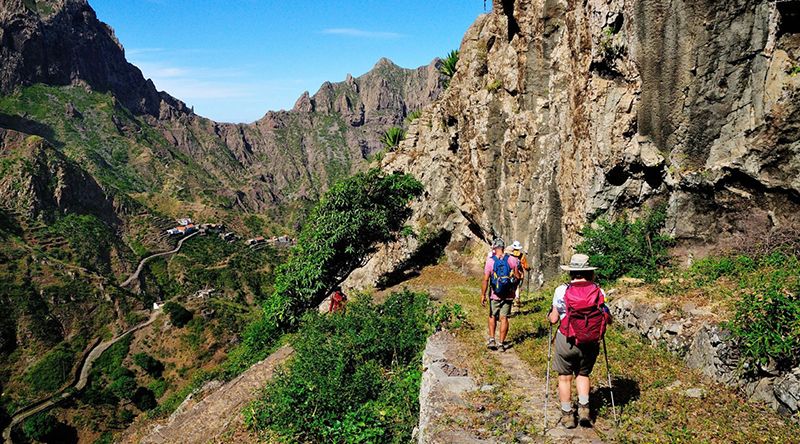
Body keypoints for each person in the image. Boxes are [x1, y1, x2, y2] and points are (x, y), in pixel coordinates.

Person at [547, 253, 611, 428]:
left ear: (571, 272)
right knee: (583, 374)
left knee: (565, 377)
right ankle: (584, 410)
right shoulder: (599, 291)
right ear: (590, 272)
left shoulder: (561, 291)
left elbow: (554, 319)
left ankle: (568, 415)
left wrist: (551, 314)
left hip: (566, 340)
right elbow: (607, 317)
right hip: (590, 341)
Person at [481, 238, 521, 351]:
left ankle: (492, 339)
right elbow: (518, 276)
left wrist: (483, 295)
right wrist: (513, 286)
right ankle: (501, 343)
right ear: (503, 248)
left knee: (492, 316)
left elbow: (485, 280)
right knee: (504, 318)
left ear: (494, 248)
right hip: (508, 294)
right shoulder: (512, 260)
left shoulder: (490, 261)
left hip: (495, 294)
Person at [509, 241, 530, 310]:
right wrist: (528, 269)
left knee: (511, 287)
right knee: (517, 286)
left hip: (510, 274)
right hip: (519, 274)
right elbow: (525, 266)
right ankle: (517, 300)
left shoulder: (509, 255)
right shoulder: (521, 255)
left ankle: (510, 300)